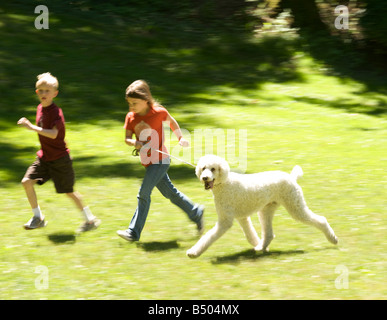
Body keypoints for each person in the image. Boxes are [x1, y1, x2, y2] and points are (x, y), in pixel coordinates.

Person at [117, 80, 204, 242]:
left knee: (143, 193)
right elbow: (127, 138)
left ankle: (133, 232)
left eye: (135, 103)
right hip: (147, 162)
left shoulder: (159, 113)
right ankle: (195, 212)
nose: (131, 107)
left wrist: (181, 138)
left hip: (161, 160)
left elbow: (172, 122)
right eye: (129, 103)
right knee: (170, 193)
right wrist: (134, 143)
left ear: (146, 100)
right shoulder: (131, 117)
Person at [17, 72, 100, 233]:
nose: (43, 93)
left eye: (47, 90)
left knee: (69, 192)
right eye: (40, 90)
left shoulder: (56, 112)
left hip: (60, 159)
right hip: (44, 157)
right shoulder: (40, 108)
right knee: (26, 182)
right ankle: (38, 218)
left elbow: (54, 134)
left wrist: (31, 127)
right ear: (36, 93)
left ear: (55, 93)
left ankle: (90, 220)